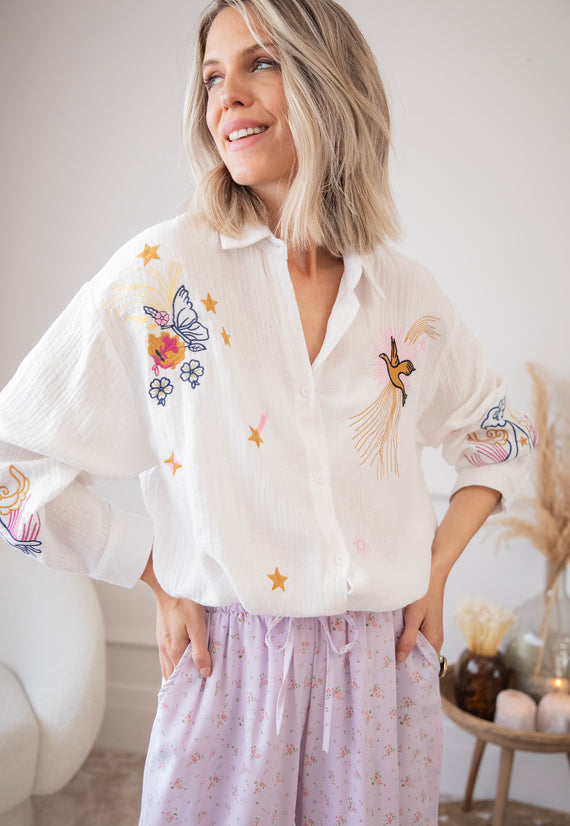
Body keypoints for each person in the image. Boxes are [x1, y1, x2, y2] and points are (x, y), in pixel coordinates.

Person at [0, 0, 538, 823]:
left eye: (260, 63)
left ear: (329, 81)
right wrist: (153, 572)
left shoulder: (404, 293)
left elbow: (502, 436)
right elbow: (13, 468)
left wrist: (435, 567)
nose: (227, 97)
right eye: (212, 77)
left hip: (379, 682)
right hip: (228, 677)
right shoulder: (163, 275)